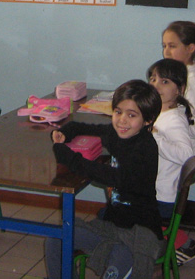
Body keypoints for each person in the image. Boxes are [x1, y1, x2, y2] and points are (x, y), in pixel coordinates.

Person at [44, 80, 164, 279]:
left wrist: (69, 158)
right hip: (111, 226)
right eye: (118, 112)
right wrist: (64, 133)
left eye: (131, 115)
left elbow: (113, 177)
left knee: (115, 272)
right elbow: (82, 126)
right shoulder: (116, 134)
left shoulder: (145, 148)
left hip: (140, 233)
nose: (122, 120)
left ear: (148, 120)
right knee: (56, 239)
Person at [147, 58, 195, 265]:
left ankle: (179, 246)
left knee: (116, 210)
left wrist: (154, 135)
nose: (156, 85)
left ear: (180, 89)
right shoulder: (161, 113)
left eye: (165, 82)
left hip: (162, 199)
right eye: (153, 79)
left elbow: (186, 154)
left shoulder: (174, 119)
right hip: (159, 192)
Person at [161, 21, 195, 159]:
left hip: (188, 155)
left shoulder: (193, 84)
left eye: (172, 46)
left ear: (190, 48)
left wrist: (167, 119)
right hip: (179, 146)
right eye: (164, 46)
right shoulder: (180, 76)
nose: (166, 51)